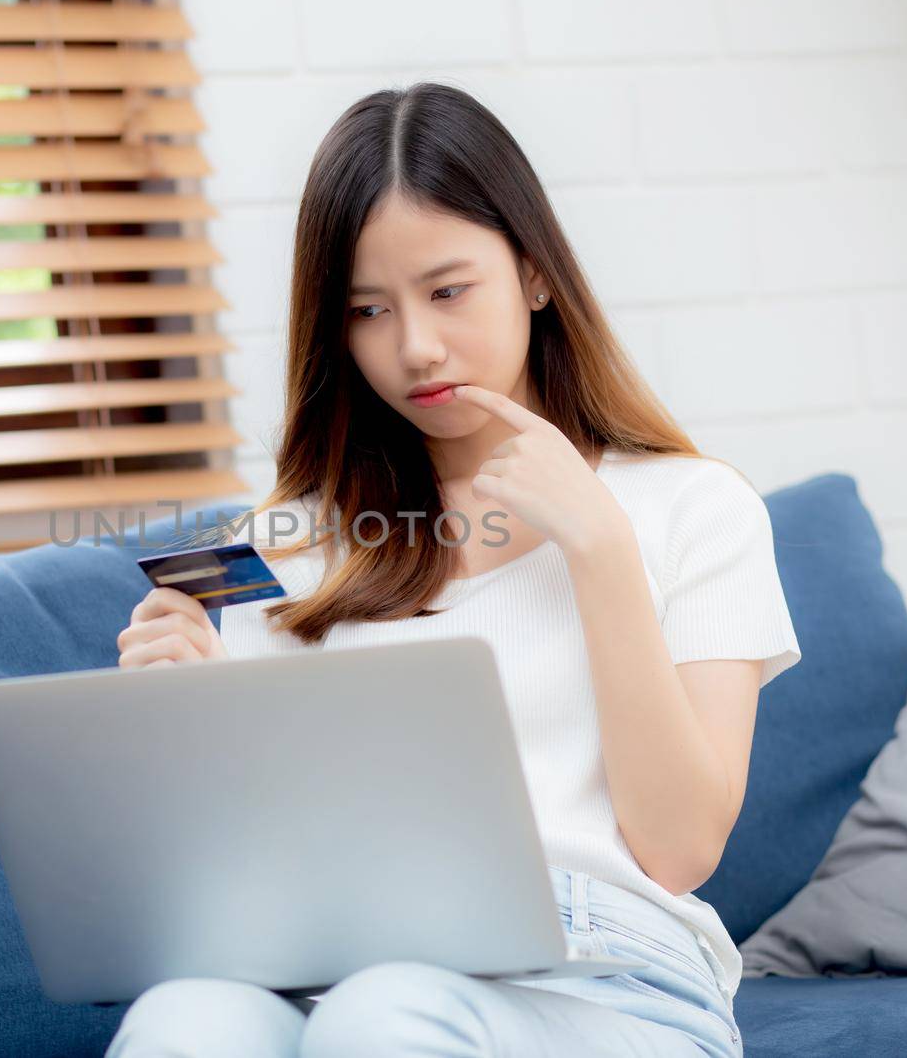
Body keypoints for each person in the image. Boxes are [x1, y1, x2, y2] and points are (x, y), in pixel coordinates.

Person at [109, 81, 801, 1058]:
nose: (415, 347)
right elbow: (251, 872)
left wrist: (596, 547)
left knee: (391, 1013)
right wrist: (185, 714)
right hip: (338, 964)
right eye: (367, 308)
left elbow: (680, 847)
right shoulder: (285, 540)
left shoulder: (693, 507)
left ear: (534, 273)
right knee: (186, 1017)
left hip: (609, 972)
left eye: (446, 290)